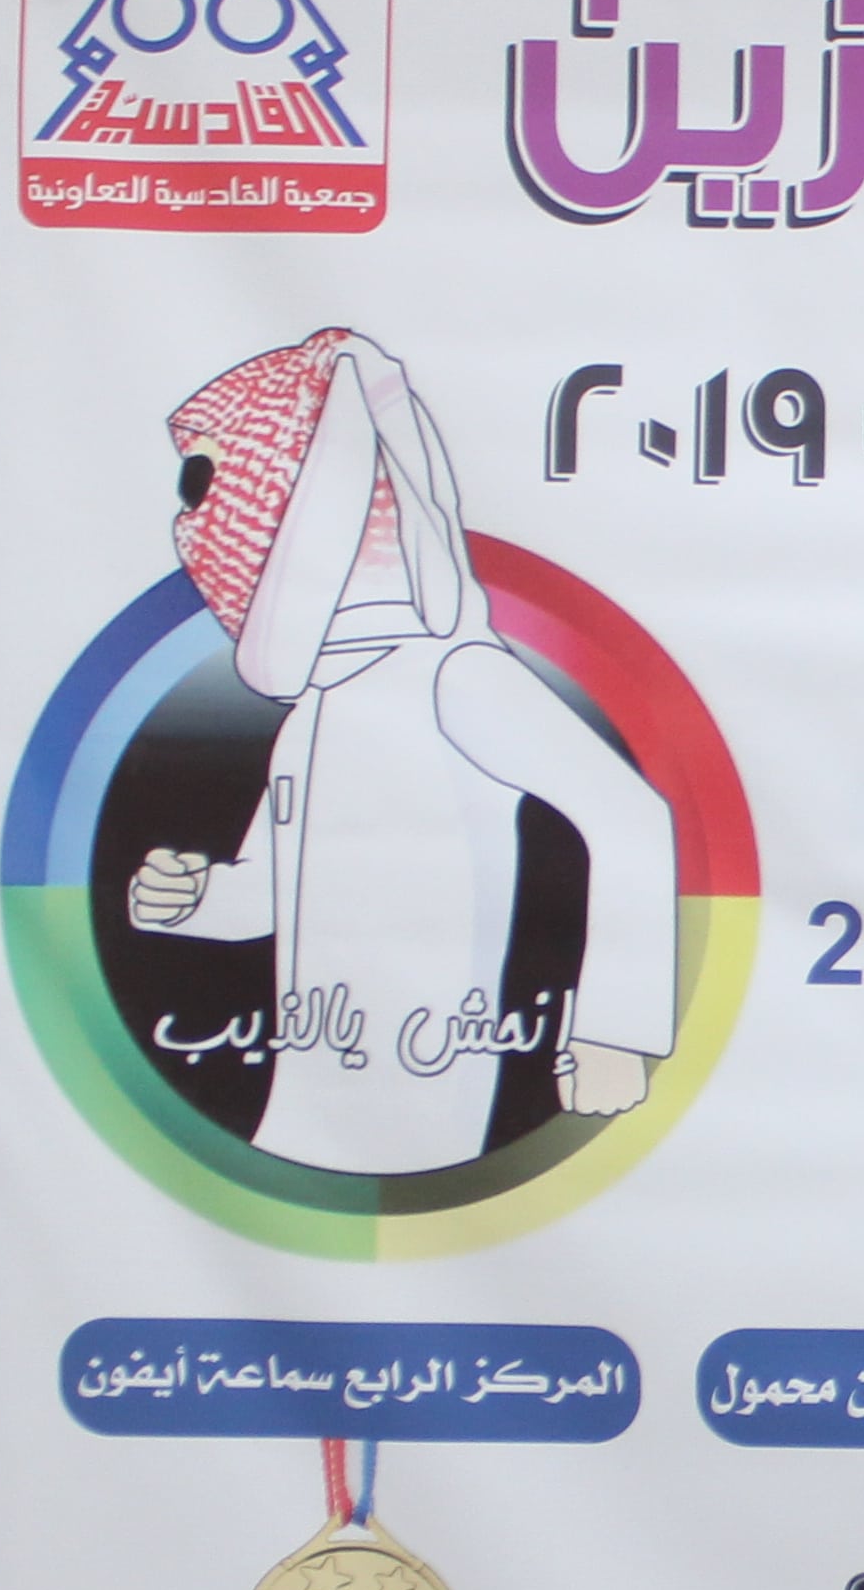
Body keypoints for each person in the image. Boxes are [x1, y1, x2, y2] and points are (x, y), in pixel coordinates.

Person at [126, 329, 676, 1176]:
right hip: (303, 1119)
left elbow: (630, 816)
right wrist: (189, 899)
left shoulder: (454, 674)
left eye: (207, 482)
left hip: (427, 1127)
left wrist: (613, 1033)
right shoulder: (314, 710)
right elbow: (269, 897)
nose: (195, 523)